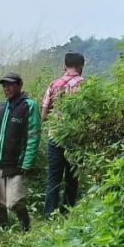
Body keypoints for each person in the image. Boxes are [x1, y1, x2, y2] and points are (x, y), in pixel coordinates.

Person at [0, 71, 41, 231]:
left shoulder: (29, 106)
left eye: (10, 85)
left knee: (15, 201)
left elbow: (33, 135)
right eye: (4, 86)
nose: (7, 88)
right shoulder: (2, 106)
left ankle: (26, 229)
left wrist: (27, 163)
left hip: (17, 162)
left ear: (20, 84)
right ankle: (4, 230)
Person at [41, 52, 85, 216]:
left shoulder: (54, 85)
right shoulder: (85, 86)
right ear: (81, 67)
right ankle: (66, 213)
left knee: (53, 178)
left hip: (55, 137)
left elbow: (44, 116)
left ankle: (49, 214)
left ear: (64, 66)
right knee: (72, 178)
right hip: (76, 138)